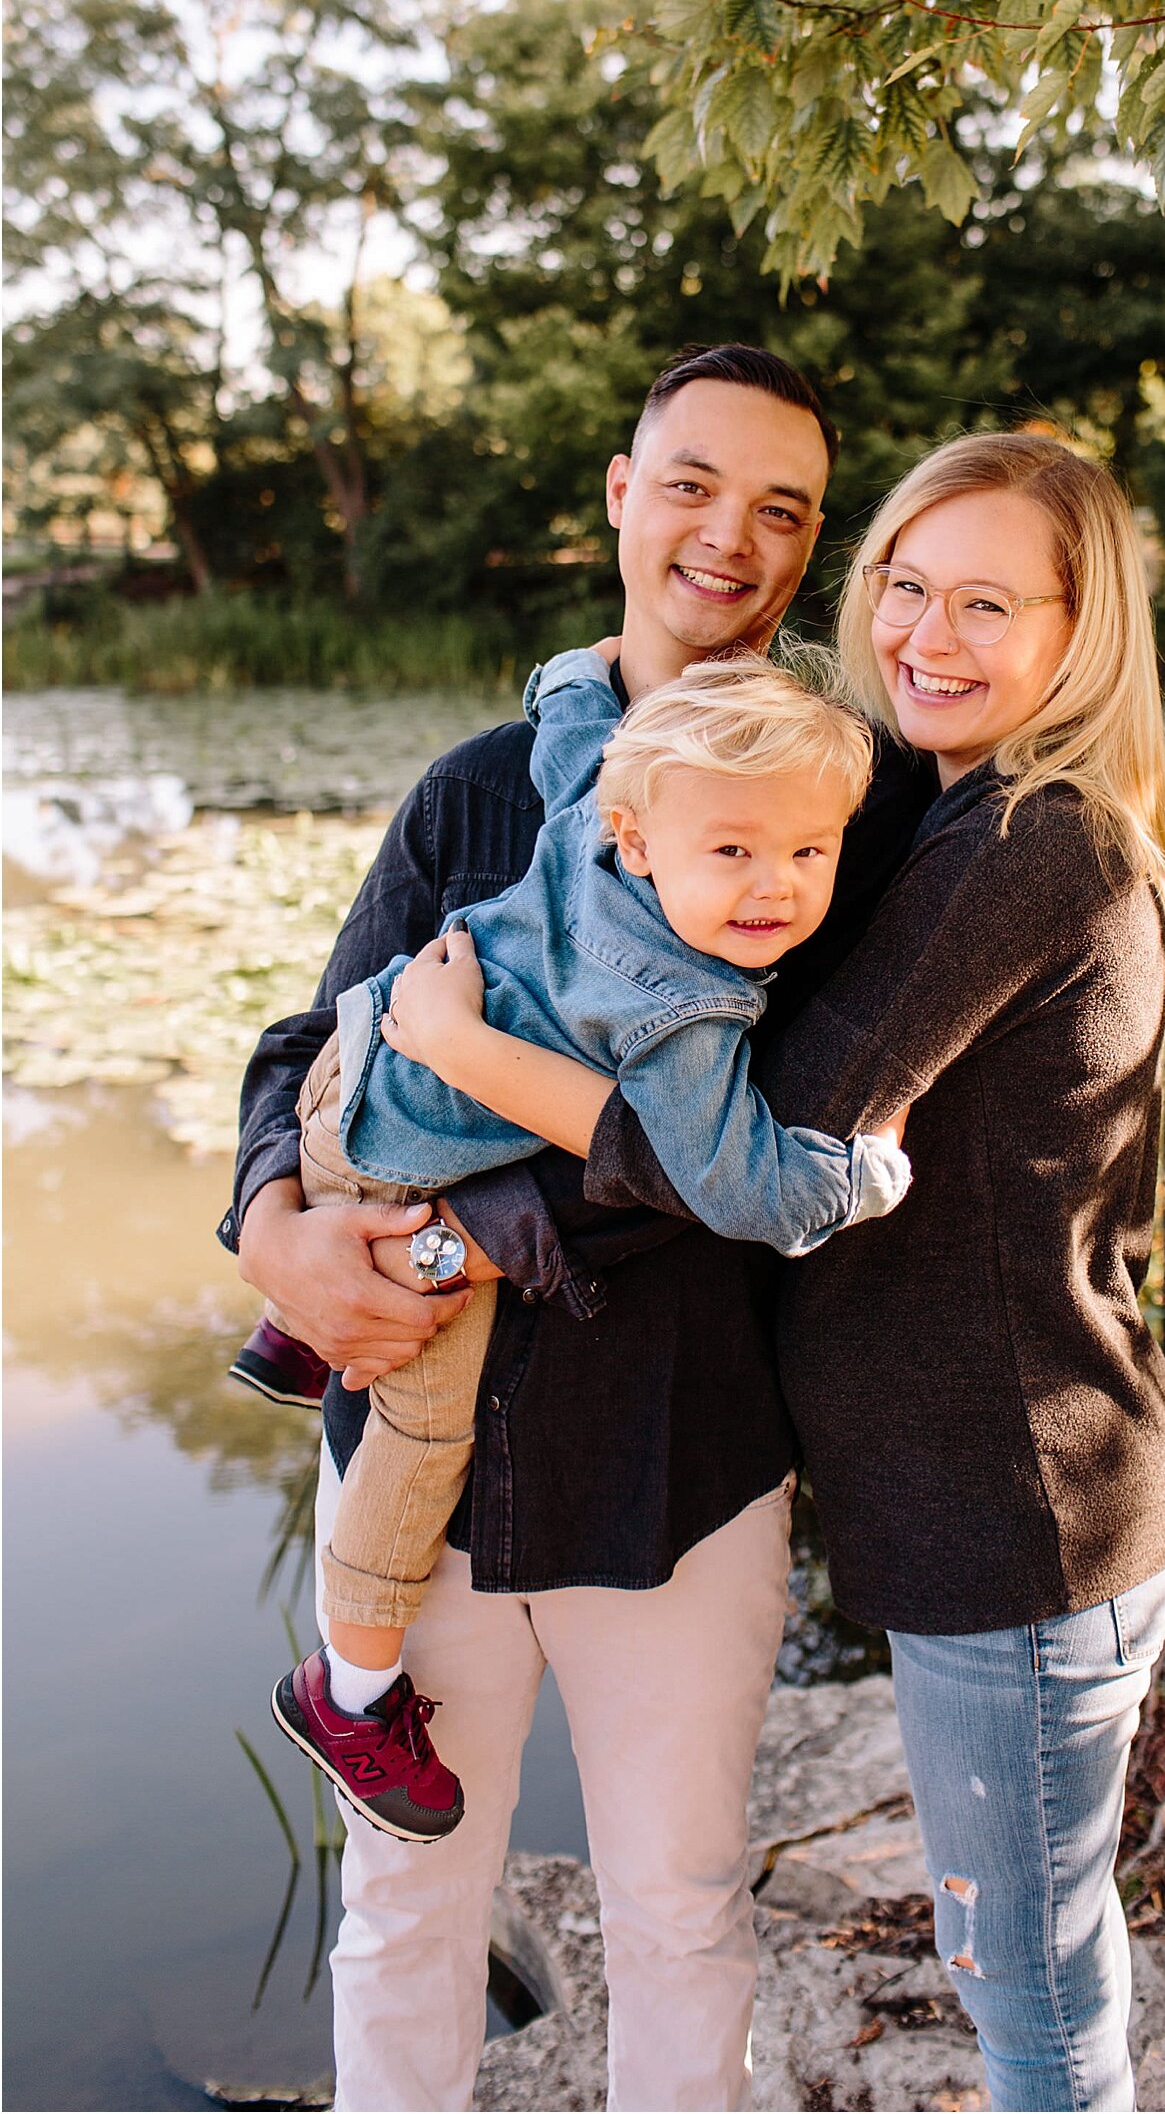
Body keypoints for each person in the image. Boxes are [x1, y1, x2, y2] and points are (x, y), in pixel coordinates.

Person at [222, 342, 938, 2113]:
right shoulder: (481, 785)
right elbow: (314, 1044)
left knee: (684, 1905)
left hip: (680, 1458)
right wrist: (270, 1225)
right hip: (416, 1453)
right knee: (402, 1897)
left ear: (814, 549)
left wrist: (480, 1213)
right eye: (693, 482)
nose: (731, 535)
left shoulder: (843, 808)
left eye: (784, 509)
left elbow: (754, 1173)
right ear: (622, 493)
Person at [505, 430, 1165, 2112]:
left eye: (986, 602)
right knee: (1042, 1951)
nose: (925, 633)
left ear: (1077, 629)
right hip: (1000, 1504)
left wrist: (469, 1045)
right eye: (903, 581)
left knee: (1023, 1987)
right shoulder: (960, 813)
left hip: (1014, 1516)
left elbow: (774, 1139)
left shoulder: (1025, 839)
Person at [257, 651, 906, 1842]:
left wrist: (569, 676)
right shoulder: (686, 1013)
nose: (777, 887)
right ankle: (344, 1691)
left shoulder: (586, 822)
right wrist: (862, 1172)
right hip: (397, 1163)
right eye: (737, 851)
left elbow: (571, 731)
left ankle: (293, 1335)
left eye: (811, 851)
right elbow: (739, 1185)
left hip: (354, 1068)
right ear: (646, 836)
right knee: (419, 1433)